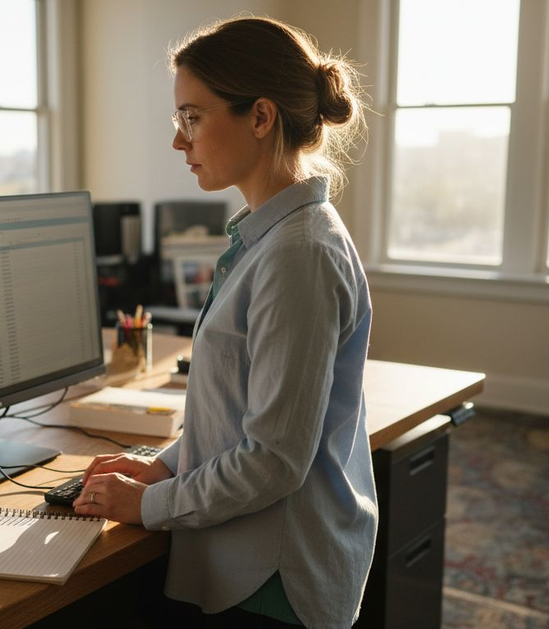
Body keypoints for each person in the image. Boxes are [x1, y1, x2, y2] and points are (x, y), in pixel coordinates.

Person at [73, 16, 376, 628]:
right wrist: (161, 465)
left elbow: (271, 459)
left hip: (273, 578)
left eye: (192, 118)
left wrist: (150, 503)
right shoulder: (268, 237)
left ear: (260, 118)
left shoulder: (298, 254)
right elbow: (241, 415)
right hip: (252, 558)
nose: (178, 142)